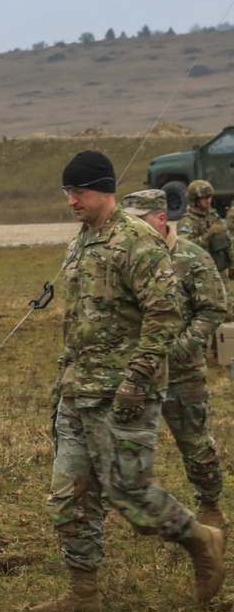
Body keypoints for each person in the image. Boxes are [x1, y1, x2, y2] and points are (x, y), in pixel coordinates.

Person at [28, 153, 225, 612]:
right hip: (79, 390)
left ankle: (202, 538)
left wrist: (137, 378)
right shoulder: (80, 243)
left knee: (129, 493)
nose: (72, 201)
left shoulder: (137, 241)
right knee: (68, 495)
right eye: (67, 193)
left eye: (79, 192)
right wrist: (63, 381)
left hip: (124, 394)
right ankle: (83, 594)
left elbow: (165, 314)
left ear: (104, 190)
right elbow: (78, 320)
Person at [122, 189, 228, 533]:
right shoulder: (127, 259)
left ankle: (210, 505)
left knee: (195, 445)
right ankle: (144, 511)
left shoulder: (191, 257)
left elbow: (212, 308)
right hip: (139, 374)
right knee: (130, 447)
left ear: (161, 218)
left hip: (181, 373)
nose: (132, 228)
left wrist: (182, 348)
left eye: (139, 220)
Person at [178, 179, 233, 282]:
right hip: (200, 274)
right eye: (204, 198)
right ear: (194, 200)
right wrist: (207, 236)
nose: (208, 200)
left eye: (210, 197)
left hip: (218, 270)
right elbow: (184, 249)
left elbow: (228, 239)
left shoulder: (213, 216)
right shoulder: (187, 222)